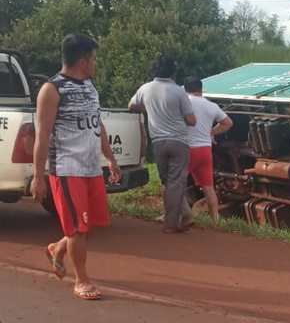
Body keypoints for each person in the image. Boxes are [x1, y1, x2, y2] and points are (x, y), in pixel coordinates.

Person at [30, 33, 122, 301]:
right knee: (78, 229)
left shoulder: (90, 87)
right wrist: (39, 177)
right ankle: (81, 280)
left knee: (96, 222)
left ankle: (58, 247)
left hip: (92, 168)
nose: (96, 64)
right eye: (94, 59)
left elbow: (98, 124)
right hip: (67, 169)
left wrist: (110, 158)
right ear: (82, 61)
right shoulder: (52, 90)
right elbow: (42, 135)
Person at [128, 54, 196, 233]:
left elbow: (131, 106)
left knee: (169, 182)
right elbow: (191, 120)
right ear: (173, 72)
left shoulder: (145, 88)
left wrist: (148, 108)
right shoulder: (179, 91)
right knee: (177, 182)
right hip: (179, 141)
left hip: (158, 142)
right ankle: (171, 224)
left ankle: (186, 214)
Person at [184, 76, 233, 226]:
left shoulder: (184, 104)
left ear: (185, 90)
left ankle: (173, 214)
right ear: (201, 89)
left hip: (188, 149)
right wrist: (211, 131)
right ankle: (215, 220)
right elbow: (228, 123)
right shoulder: (211, 105)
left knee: (174, 183)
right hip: (205, 150)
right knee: (208, 187)